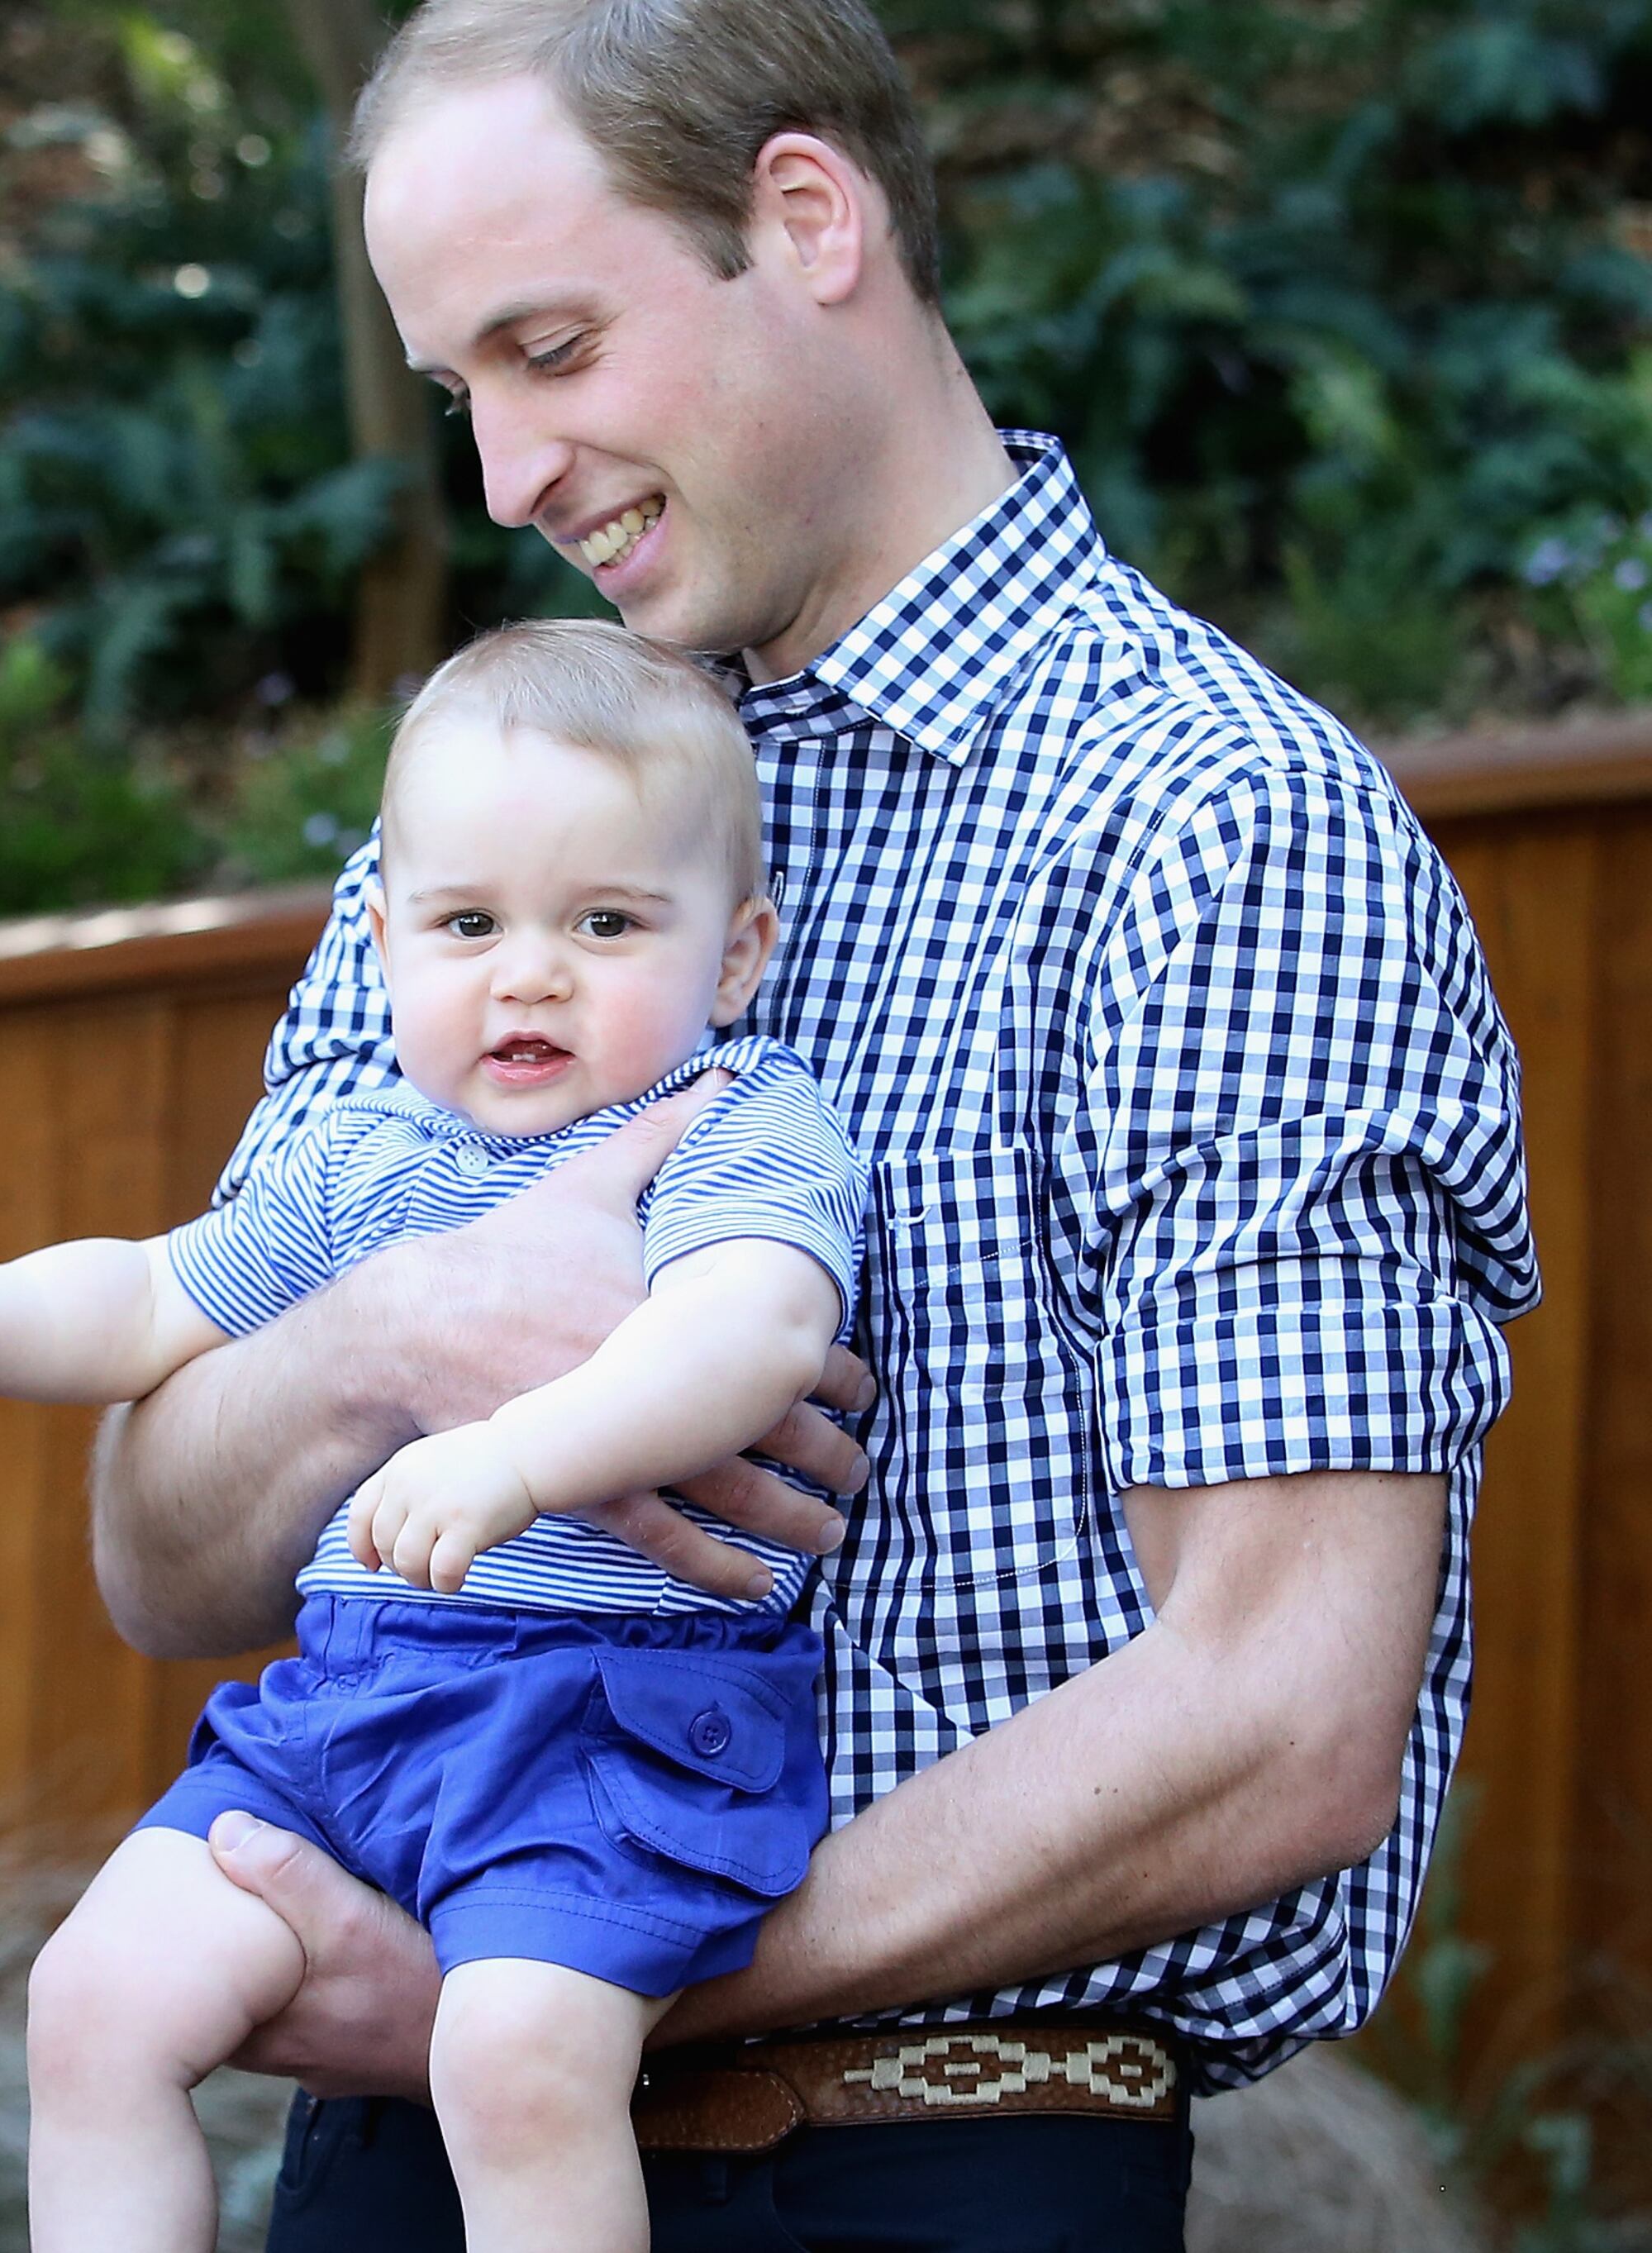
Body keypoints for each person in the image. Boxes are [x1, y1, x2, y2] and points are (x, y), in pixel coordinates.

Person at [83, 1, 1538, 2245]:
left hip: (925, 2158)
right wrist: (394, 1327)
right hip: (402, 2150)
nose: (502, 474)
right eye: (463, 388)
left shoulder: (1217, 829)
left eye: (552, 346)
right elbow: (157, 1556)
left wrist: (595, 1973)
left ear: (806, 215)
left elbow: (1282, 1699)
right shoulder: (487, 842)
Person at [0, 623, 866, 2251]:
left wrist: (522, 1458)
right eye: (468, 923)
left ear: (731, 955)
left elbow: (753, 1328)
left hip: (601, 1717)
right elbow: (149, 1296)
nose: (530, 971)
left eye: (605, 922)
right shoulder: (369, 1154)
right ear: (381, 944)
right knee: (94, 1999)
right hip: (355, 1705)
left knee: (512, 2059)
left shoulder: (724, 1122)